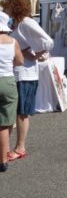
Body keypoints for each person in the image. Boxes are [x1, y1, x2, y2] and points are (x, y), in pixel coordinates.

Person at [0, 0, 53, 162]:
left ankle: (20, 147)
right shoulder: (16, 24)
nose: (4, 10)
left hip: (26, 74)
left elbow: (48, 42)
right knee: (12, 112)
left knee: (22, 113)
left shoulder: (26, 23)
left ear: (13, 7)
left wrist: (34, 55)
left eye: (6, 7)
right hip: (16, 73)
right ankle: (6, 148)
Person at [0, 11, 24, 172]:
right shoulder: (12, 41)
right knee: (5, 122)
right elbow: (20, 61)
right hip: (7, 81)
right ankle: (3, 158)